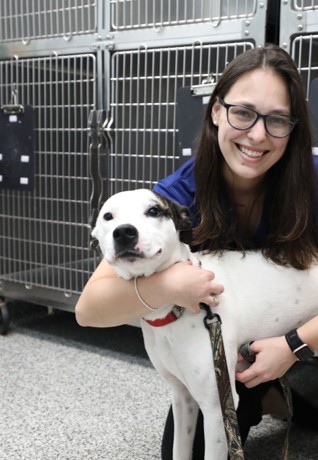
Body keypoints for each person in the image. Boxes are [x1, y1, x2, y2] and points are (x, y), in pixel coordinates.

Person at [75, 44, 318, 458]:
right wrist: (168, 284)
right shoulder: (174, 198)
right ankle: (271, 395)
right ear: (216, 112)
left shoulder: (311, 179)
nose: (257, 135)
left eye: (276, 120)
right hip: (235, 341)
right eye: (243, 112)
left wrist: (294, 344)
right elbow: (88, 310)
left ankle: (290, 389)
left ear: (293, 128)